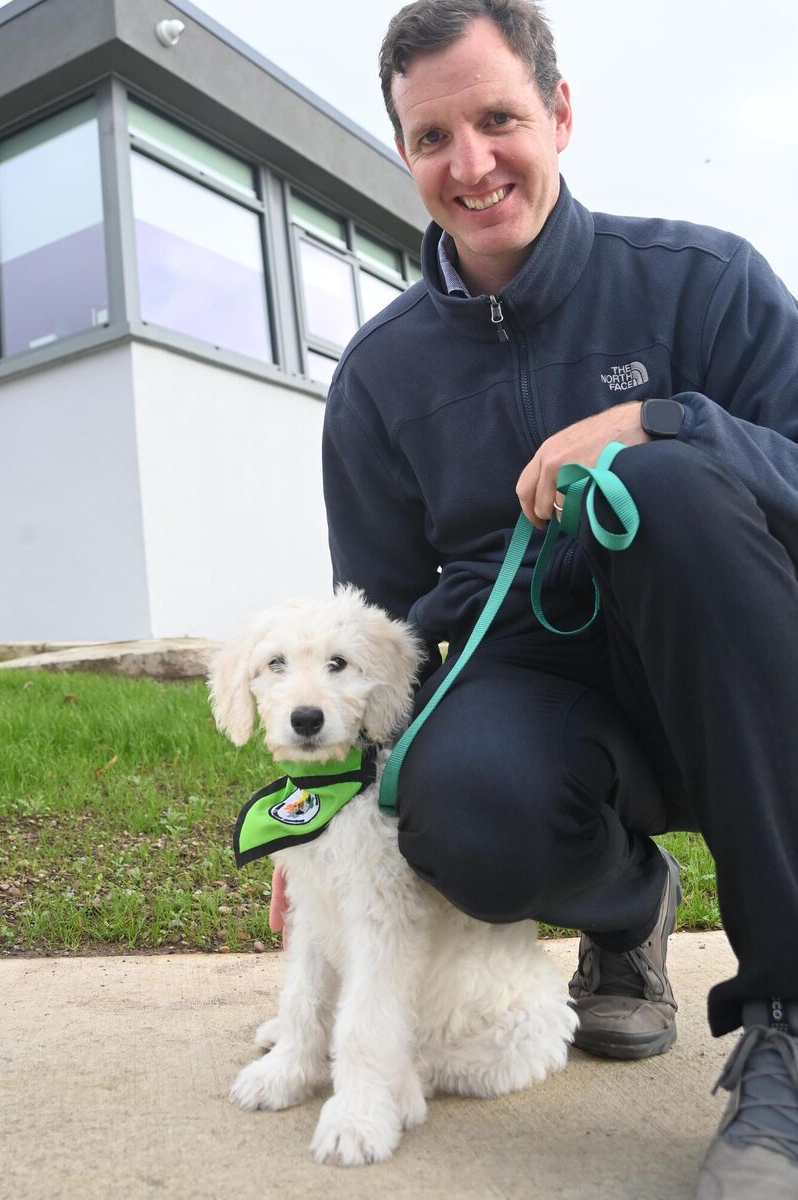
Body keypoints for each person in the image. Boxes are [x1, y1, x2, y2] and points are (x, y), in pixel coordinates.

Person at [272, 1, 798, 1193]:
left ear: (557, 114)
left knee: (663, 481)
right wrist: (328, 805)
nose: (470, 165)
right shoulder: (377, 380)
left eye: (498, 118)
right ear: (402, 153)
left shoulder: (702, 282)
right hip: (540, 699)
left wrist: (662, 423)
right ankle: (624, 908)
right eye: (429, 137)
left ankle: (791, 1026)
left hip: (739, 673)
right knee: (460, 814)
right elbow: (382, 637)